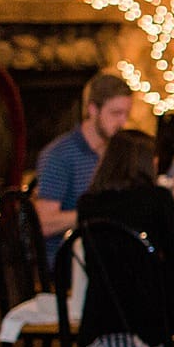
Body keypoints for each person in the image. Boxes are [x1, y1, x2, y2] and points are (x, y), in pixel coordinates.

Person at [75, 129, 174, 347]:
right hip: (157, 319)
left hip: (103, 316)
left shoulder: (88, 203)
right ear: (148, 162)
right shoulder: (156, 199)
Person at [34, 72, 133, 264]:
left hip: (106, 249)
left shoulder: (117, 149)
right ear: (93, 109)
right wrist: (103, 212)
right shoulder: (59, 155)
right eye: (115, 113)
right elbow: (44, 223)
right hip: (70, 258)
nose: (123, 122)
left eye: (126, 114)